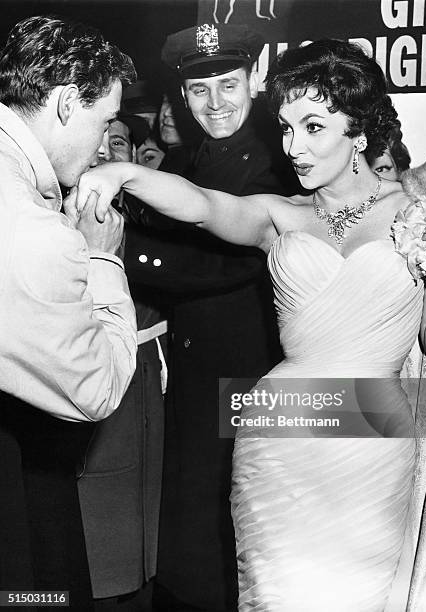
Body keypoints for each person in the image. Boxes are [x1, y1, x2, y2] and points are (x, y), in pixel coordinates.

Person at [75, 38, 426, 610]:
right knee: (276, 595)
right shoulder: (282, 214)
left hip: (372, 433)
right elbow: (204, 205)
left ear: (358, 130)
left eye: (313, 127)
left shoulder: (417, 216)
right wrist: (122, 176)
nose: (294, 147)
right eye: (286, 128)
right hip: (281, 429)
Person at [151, 22, 294, 612]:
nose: (214, 103)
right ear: (182, 96)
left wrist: (115, 253)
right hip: (197, 379)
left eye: (227, 85)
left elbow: (219, 264)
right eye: (199, 89)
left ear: (255, 81)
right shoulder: (189, 164)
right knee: (196, 534)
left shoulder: (275, 165)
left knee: (237, 536)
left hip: (248, 379)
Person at [0, 15, 137, 609]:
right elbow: (95, 391)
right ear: (61, 104)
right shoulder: (37, 232)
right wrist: (103, 260)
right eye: (103, 121)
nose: (105, 142)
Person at [76, 115, 165, 611]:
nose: (107, 153)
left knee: (143, 519)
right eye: (99, 141)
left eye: (119, 144)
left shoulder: (153, 220)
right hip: (94, 373)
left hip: (148, 379)